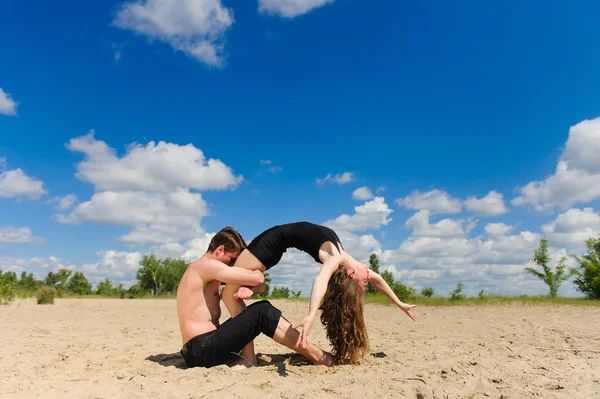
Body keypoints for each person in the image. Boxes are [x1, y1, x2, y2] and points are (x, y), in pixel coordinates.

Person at [222, 221, 417, 365]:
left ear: (351, 274)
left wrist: (311, 314)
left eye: (363, 282)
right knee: (233, 290)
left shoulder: (336, 258)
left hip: (273, 242)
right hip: (275, 242)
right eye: (365, 281)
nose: (367, 279)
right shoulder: (346, 257)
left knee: (229, 295)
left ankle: (248, 358)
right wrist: (399, 302)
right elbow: (378, 279)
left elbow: (321, 280)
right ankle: (250, 294)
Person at [176, 226, 334, 369]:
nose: (233, 266)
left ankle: (252, 357)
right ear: (219, 250)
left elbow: (260, 286)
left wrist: (248, 288)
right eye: (232, 260)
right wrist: (255, 274)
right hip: (200, 349)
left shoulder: (211, 273)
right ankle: (319, 356)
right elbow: (258, 278)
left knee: (257, 310)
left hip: (202, 348)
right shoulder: (206, 266)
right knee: (262, 311)